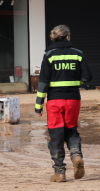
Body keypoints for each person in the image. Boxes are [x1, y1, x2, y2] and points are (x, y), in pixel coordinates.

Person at [35, 25, 92, 182]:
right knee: (72, 131)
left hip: (54, 101)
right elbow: (88, 77)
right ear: (67, 37)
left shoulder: (49, 55)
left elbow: (43, 82)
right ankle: (76, 156)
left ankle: (59, 172)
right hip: (73, 100)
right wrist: (75, 81)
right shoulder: (78, 54)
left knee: (56, 135)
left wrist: (38, 105)